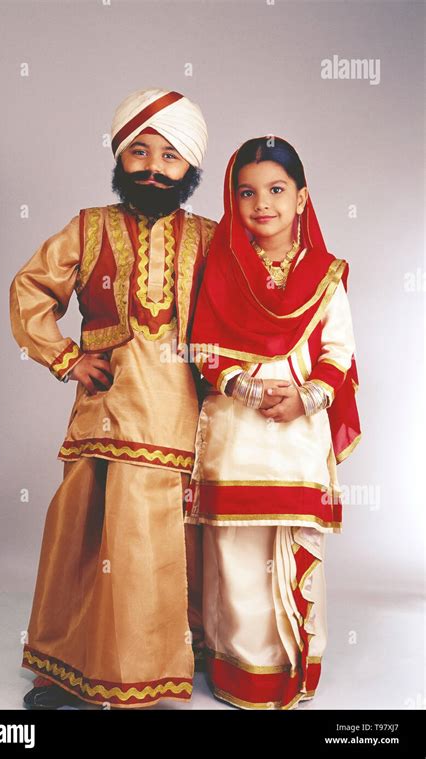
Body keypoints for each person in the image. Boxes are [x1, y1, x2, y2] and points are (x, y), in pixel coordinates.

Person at [9, 88, 217, 709]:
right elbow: (30, 289)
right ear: (119, 158)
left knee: (161, 543)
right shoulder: (88, 227)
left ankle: (173, 657)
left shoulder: (211, 238)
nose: (153, 167)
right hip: (107, 413)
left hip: (183, 417)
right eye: (138, 152)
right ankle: (77, 661)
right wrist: (67, 359)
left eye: (170, 157)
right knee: (91, 536)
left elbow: (248, 317)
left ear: (191, 170)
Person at [186, 135, 361, 710]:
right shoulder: (220, 267)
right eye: (247, 192)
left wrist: (308, 397)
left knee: (292, 548)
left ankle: (294, 669)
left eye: (277, 190)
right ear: (232, 202)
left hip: (297, 435)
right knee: (234, 558)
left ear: (302, 198)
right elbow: (202, 346)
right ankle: (236, 672)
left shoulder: (326, 274)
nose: (263, 203)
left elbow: (339, 351)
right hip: (236, 433)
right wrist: (243, 385)